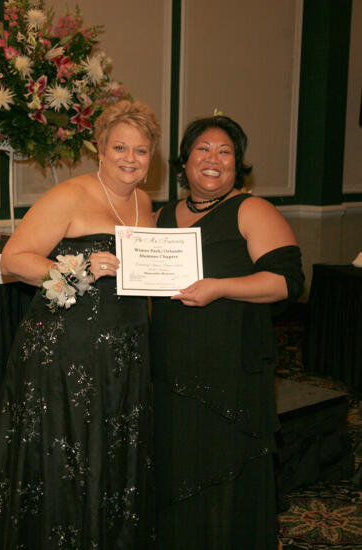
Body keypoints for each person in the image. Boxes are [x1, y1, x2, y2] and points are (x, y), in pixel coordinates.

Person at [0, 99, 160, 549]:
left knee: (111, 453)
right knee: (68, 452)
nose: (130, 159)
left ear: (152, 158)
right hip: (67, 350)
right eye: (120, 148)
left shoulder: (145, 202)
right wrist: (81, 271)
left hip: (124, 348)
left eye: (141, 151)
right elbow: (14, 260)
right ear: (100, 149)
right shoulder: (70, 194)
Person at [151, 114, 304, 550]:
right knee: (176, 467)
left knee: (223, 468)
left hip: (229, 368)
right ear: (184, 162)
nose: (213, 159)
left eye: (226, 152)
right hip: (170, 369)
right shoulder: (161, 216)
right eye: (203, 149)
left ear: (238, 165)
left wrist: (220, 288)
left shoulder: (252, 209)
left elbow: (287, 282)